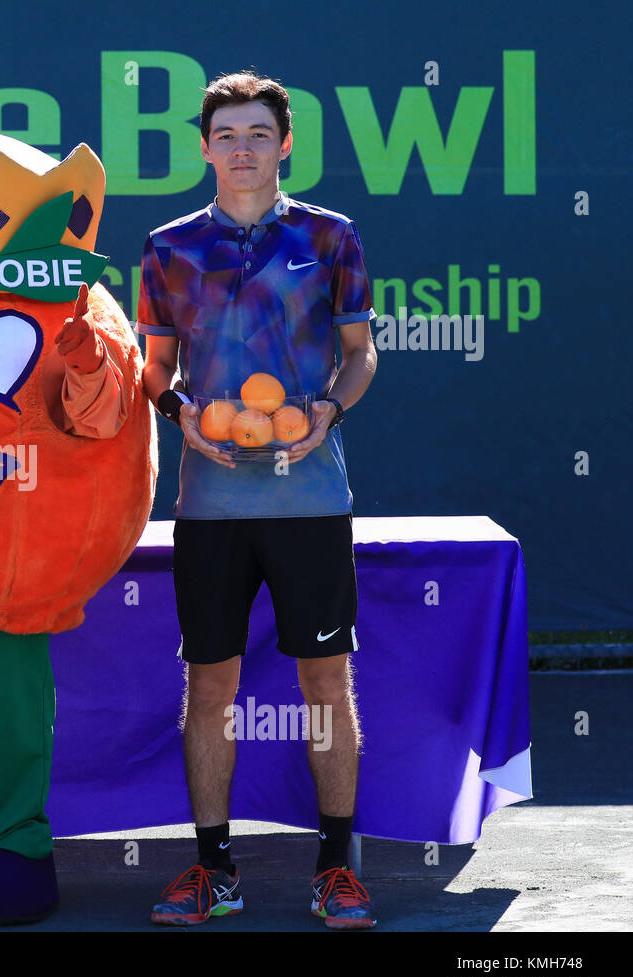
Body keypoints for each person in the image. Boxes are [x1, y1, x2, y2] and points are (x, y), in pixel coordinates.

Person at [138, 72, 380, 929]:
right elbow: (153, 371)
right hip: (209, 506)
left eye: (257, 134)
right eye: (226, 135)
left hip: (311, 500)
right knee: (210, 687)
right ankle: (214, 869)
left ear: (284, 145)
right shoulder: (168, 247)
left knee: (326, 681)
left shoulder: (332, 236)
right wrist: (178, 416)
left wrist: (328, 410)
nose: (242, 149)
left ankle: (336, 868)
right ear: (205, 148)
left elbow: (360, 355)